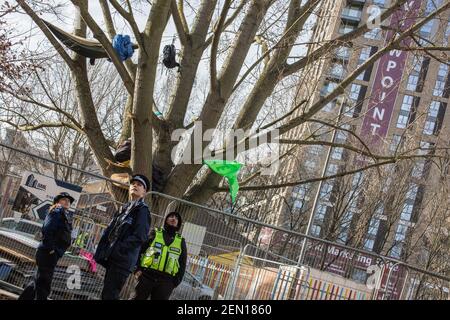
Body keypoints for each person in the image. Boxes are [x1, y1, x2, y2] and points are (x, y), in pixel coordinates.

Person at [94, 174, 151, 300]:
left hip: (122, 260)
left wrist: (118, 249)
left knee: (109, 295)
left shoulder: (142, 210)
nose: (135, 185)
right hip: (113, 258)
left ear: (144, 192)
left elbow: (140, 236)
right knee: (107, 294)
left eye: (139, 185)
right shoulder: (124, 208)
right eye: (133, 183)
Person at [18, 192, 74, 300]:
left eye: (69, 200)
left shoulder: (64, 215)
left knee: (37, 281)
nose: (67, 201)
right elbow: (47, 230)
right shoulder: (56, 212)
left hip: (51, 253)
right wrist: (51, 249)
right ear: (58, 202)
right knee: (44, 282)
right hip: (48, 253)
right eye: (64, 199)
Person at [132, 211, 187, 300]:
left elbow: (183, 263)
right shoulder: (155, 233)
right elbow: (140, 250)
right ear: (166, 220)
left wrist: (175, 282)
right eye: (171, 216)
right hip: (147, 276)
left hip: (167, 282)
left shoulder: (181, 241)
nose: (174, 219)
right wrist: (137, 268)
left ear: (178, 223)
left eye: (176, 218)